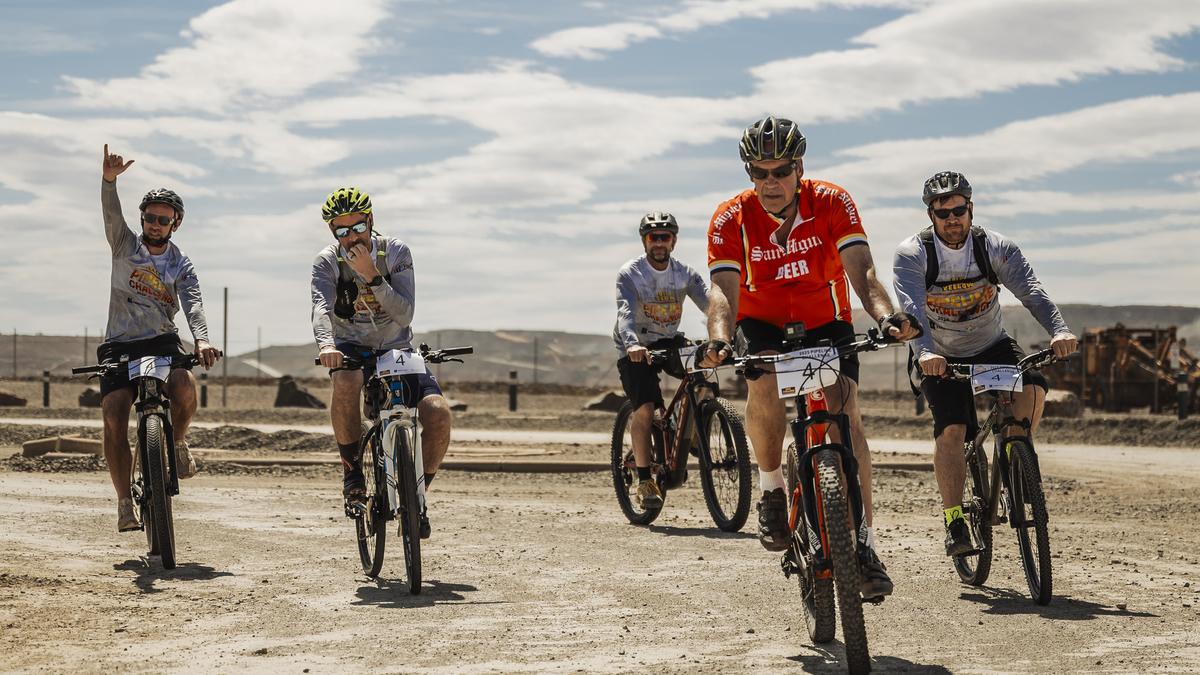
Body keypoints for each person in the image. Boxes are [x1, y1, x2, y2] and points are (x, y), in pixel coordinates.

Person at [699, 116, 917, 599]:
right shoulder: (728, 217)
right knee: (762, 384)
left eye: (780, 171)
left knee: (847, 417)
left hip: (826, 317)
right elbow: (722, 291)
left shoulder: (833, 201)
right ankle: (773, 487)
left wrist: (886, 317)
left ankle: (865, 544)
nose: (770, 182)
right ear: (749, 173)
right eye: (759, 172)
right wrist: (718, 338)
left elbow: (863, 272)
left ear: (800, 167)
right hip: (762, 322)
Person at [893, 170, 1077, 557]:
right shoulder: (914, 254)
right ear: (931, 216)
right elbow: (912, 313)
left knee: (1033, 387)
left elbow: (1032, 292)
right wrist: (926, 354)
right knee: (953, 431)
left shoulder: (995, 247)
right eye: (943, 213)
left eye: (958, 210)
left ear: (971, 208)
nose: (952, 220)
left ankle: (1016, 456)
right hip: (938, 354)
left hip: (991, 344)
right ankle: (955, 519)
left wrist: (1059, 330)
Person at [311, 187, 452, 539]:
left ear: (370, 221)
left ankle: (416, 496)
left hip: (395, 348)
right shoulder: (327, 261)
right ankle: (353, 473)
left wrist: (372, 275)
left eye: (356, 228)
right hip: (351, 347)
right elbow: (321, 308)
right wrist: (326, 343)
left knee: (437, 413)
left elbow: (404, 314)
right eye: (340, 231)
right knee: (345, 382)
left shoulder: (395, 253)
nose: (349, 238)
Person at [98, 144, 220, 532]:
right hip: (120, 341)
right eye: (150, 218)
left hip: (161, 340)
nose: (155, 224)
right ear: (143, 220)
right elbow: (111, 213)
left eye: (163, 220)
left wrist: (201, 340)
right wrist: (109, 181)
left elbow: (193, 303)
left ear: (175, 224)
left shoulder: (180, 263)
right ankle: (122, 502)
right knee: (114, 414)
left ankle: (179, 442)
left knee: (184, 387)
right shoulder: (125, 245)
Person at [613, 212, 710, 510]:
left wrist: (729, 333)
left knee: (704, 372)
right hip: (637, 346)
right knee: (644, 409)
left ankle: (691, 432)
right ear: (645, 240)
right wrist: (632, 345)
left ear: (674, 241)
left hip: (669, 341)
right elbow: (625, 314)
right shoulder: (631, 273)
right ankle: (644, 480)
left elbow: (709, 303)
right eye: (653, 237)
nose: (659, 243)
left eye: (664, 237)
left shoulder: (685, 274)